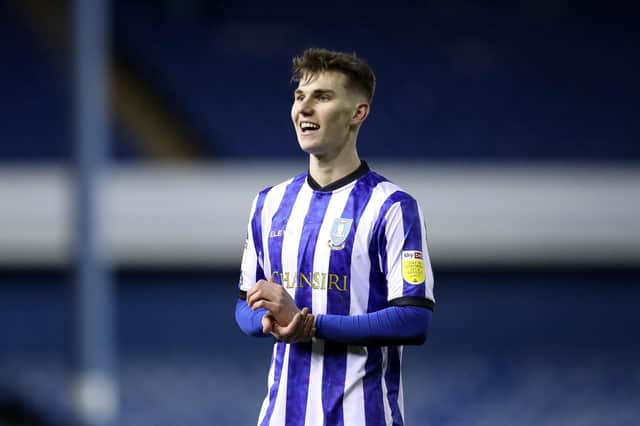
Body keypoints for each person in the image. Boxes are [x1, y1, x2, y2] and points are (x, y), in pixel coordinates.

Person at [235, 48, 435, 426]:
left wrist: (310, 325)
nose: (304, 108)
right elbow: (244, 303)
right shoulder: (269, 203)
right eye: (299, 97)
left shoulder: (392, 206)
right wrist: (265, 322)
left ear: (358, 113)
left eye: (322, 97)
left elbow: (414, 320)